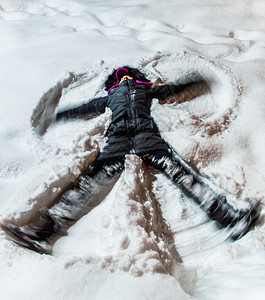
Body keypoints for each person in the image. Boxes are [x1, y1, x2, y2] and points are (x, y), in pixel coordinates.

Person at [1, 66, 259, 254]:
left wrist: (194, 82)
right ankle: (41, 233)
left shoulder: (145, 90)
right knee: (86, 185)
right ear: (114, 81)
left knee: (184, 177)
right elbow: (87, 108)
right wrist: (63, 114)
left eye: (128, 74)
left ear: (135, 77)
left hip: (148, 139)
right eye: (120, 75)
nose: (124, 76)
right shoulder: (111, 97)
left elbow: (171, 90)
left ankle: (230, 219)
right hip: (118, 141)